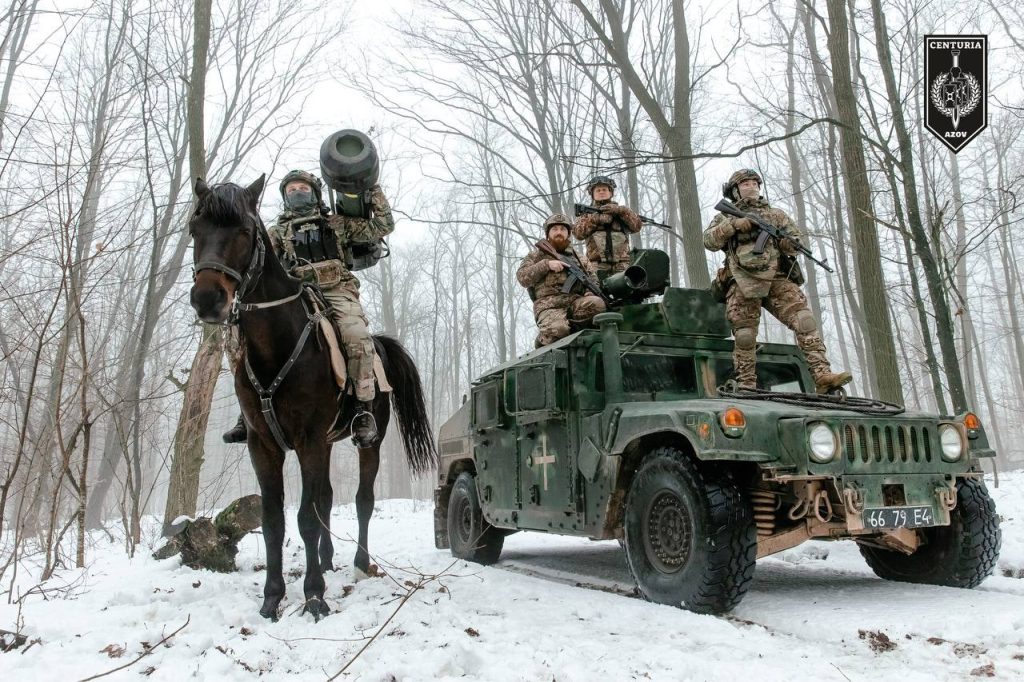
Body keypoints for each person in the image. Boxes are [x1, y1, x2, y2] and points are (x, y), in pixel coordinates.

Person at [222, 170, 394, 445]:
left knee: (357, 337)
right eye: (291, 190)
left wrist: (373, 190)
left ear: (314, 193)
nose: (297, 193)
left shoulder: (337, 223)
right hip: (295, 293)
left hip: (337, 290)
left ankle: (363, 410)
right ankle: (247, 413)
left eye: (302, 188)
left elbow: (383, 225)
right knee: (239, 340)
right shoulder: (277, 232)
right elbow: (258, 261)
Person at [703, 168, 851, 394]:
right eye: (745, 184)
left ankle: (822, 375)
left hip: (777, 278)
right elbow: (709, 241)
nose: (752, 187)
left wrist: (788, 244)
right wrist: (733, 225)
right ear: (735, 191)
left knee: (804, 320)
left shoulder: (776, 215)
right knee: (745, 335)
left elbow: (796, 242)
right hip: (741, 280)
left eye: (755, 184)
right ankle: (747, 385)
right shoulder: (725, 216)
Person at [517, 213, 606, 348]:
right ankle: (544, 338)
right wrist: (546, 264)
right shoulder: (535, 256)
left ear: (568, 233)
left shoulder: (580, 258)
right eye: (555, 229)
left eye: (563, 229)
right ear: (548, 233)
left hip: (575, 304)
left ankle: (571, 330)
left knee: (598, 304)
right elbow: (522, 277)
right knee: (559, 330)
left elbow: (593, 279)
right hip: (549, 306)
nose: (559, 232)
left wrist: (590, 291)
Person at [571, 175, 643, 279]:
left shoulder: (622, 212)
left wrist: (621, 211)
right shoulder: (586, 214)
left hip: (622, 264)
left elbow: (637, 226)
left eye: (604, 189)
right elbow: (578, 233)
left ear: (611, 192)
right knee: (595, 288)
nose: (601, 192)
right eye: (598, 190)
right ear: (592, 194)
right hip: (596, 264)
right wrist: (596, 219)